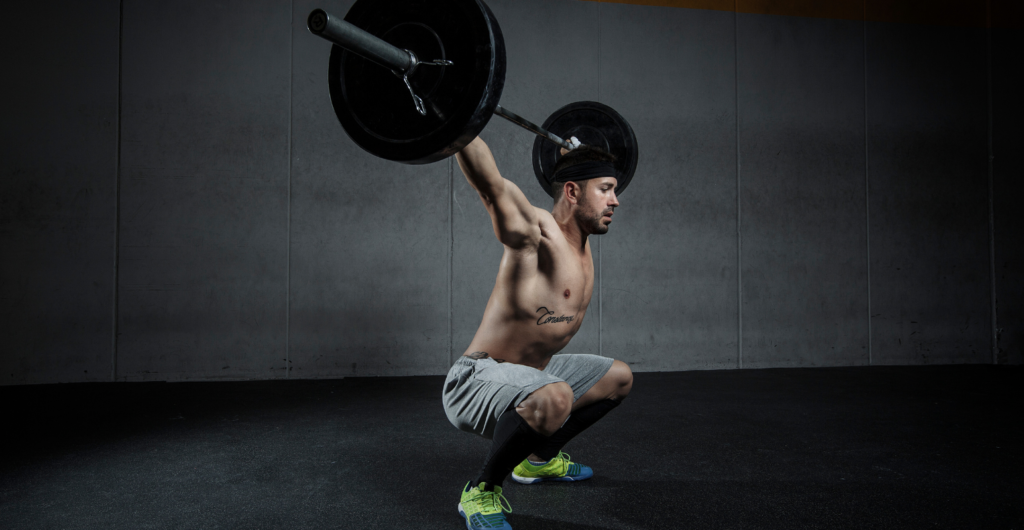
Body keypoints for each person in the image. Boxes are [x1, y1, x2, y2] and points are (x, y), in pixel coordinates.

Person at [444, 136, 634, 530]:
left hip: (532, 374)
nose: (616, 201)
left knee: (618, 378)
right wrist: (460, 124)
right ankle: (480, 490)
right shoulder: (538, 235)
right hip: (475, 379)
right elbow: (491, 186)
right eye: (606, 190)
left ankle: (538, 461)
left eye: (613, 190)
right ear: (571, 191)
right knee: (556, 396)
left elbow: (574, 184)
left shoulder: (581, 240)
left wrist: (573, 157)